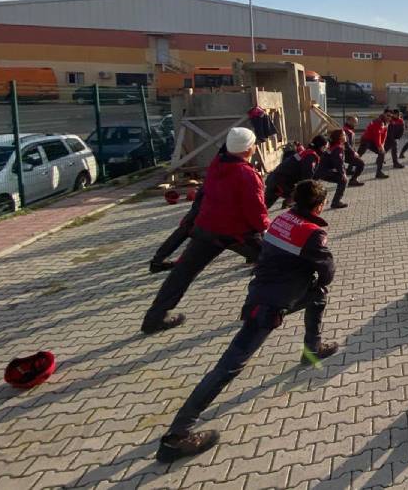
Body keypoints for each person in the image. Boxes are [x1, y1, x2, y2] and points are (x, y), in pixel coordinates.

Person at [153, 180, 340, 462]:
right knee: (229, 366)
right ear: (319, 205)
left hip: (266, 292)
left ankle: (312, 349)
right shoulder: (313, 233)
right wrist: (314, 277)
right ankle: (176, 436)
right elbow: (327, 270)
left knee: (318, 297)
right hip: (271, 305)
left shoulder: (281, 219)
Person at [142, 128, 269, 334]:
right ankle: (253, 310)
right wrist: (265, 228)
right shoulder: (247, 175)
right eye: (254, 144)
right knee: (272, 264)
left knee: (182, 273)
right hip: (239, 233)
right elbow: (255, 209)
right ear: (249, 149)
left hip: (207, 228)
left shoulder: (217, 164)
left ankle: (154, 318)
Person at [263, 141, 321, 209]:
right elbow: (307, 177)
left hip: (278, 180)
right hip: (279, 182)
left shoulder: (304, 153)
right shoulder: (310, 156)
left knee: (264, 205)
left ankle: (288, 203)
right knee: (263, 206)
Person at [317, 130, 351, 208]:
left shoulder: (334, 145)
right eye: (343, 135)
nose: (345, 136)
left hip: (320, 170)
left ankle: (323, 200)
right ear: (339, 137)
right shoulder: (338, 148)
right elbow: (338, 162)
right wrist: (343, 174)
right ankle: (336, 202)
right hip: (323, 171)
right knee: (343, 180)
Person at [358, 111, 391, 179]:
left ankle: (379, 173)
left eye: (391, 116)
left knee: (382, 153)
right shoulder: (378, 122)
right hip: (366, 140)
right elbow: (377, 135)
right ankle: (349, 170)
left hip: (373, 141)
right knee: (359, 154)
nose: (389, 117)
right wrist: (379, 146)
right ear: (384, 114)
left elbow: (384, 135)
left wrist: (382, 145)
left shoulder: (386, 122)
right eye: (388, 115)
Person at [341, 116, 366, 182]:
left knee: (357, 161)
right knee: (361, 164)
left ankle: (349, 171)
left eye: (356, 122)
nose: (356, 124)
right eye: (354, 122)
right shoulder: (346, 131)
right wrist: (353, 152)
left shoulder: (348, 130)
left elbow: (351, 144)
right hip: (345, 153)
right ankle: (353, 180)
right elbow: (346, 144)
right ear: (348, 121)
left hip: (347, 152)